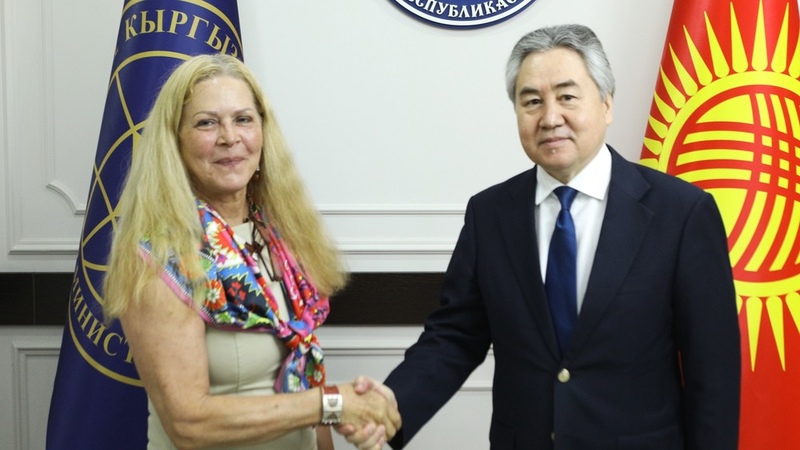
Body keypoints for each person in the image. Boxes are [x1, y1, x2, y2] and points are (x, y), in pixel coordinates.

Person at [341, 23, 740, 449]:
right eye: (531, 101)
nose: (550, 118)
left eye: (567, 97)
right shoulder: (490, 215)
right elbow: (455, 336)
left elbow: (712, 374)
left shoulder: (681, 213)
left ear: (606, 103)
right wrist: (393, 403)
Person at [102, 53, 400, 450]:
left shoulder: (282, 236)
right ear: (175, 141)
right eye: (207, 123)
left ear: (262, 131)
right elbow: (188, 423)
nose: (229, 137)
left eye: (243, 119)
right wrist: (332, 403)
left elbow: (303, 373)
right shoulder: (160, 255)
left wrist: (337, 412)